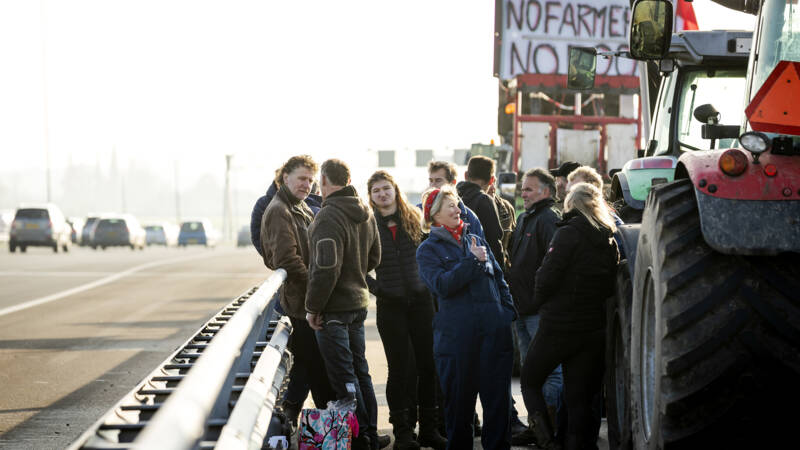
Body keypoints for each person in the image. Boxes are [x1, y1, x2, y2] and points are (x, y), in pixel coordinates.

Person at [416, 185, 517, 450]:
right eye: (450, 205)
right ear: (434, 215)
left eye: (457, 204)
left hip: (494, 333)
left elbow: (498, 278)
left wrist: (506, 313)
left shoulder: (477, 240)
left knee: (498, 405)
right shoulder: (427, 251)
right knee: (459, 409)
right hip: (457, 340)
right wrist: (471, 263)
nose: (458, 209)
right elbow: (442, 285)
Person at [520, 183, 619, 450]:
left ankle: (546, 441)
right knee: (579, 397)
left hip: (558, 325)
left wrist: (538, 302)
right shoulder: (609, 238)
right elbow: (611, 285)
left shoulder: (568, 234)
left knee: (530, 381)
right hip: (592, 329)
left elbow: (546, 277)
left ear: (571, 205)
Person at [366, 171, 447, 450]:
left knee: (428, 366)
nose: (382, 194)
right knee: (401, 370)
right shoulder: (367, 225)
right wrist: (379, 290)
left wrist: (429, 284)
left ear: (395, 190)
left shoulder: (414, 216)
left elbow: (431, 251)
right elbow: (357, 267)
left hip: (422, 303)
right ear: (371, 196)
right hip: (391, 307)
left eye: (386, 189)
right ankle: (403, 433)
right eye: (376, 191)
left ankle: (429, 429)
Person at [305, 159, 382, 450]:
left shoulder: (328, 217)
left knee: (344, 378)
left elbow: (325, 268)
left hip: (333, 310)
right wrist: (356, 270)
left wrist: (313, 308)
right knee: (361, 372)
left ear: (324, 181)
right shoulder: (366, 211)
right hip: (358, 303)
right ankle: (372, 434)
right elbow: (375, 257)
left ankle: (361, 438)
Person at [260, 156, 335, 426]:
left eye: (310, 180)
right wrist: (319, 287)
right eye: (302, 178)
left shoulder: (299, 206)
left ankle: (330, 429)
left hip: (310, 299)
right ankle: (333, 431)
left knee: (314, 365)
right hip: (301, 301)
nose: (307, 184)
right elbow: (287, 261)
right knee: (317, 367)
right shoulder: (279, 209)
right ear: (285, 177)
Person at [507, 169, 564, 446]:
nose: (523, 194)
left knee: (550, 371)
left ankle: (549, 426)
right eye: (523, 189)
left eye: (529, 189)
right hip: (522, 310)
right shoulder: (524, 218)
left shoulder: (549, 219)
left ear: (546, 191)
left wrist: (544, 301)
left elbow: (554, 266)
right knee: (531, 372)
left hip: (540, 312)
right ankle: (538, 425)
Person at [251, 170, 321, 258]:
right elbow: (257, 235)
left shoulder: (312, 205)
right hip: (287, 262)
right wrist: (275, 258)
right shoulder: (265, 203)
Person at [456, 156, 505, 269]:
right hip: (481, 268)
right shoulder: (485, 200)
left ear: (466, 175)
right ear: (492, 180)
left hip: (459, 266)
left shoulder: (453, 199)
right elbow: (494, 242)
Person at [426, 160, 485, 240]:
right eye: (431, 181)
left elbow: (482, 247)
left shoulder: (470, 218)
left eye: (438, 180)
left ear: (452, 183)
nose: (432, 185)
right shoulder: (419, 213)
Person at [487, 182, 516, 272]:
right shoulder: (466, 206)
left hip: (502, 271)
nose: (492, 187)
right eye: (488, 182)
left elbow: (513, 245)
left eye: (493, 182)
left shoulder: (506, 208)